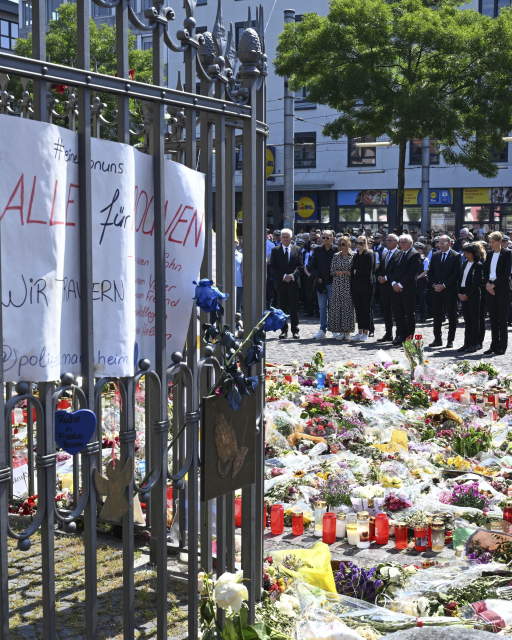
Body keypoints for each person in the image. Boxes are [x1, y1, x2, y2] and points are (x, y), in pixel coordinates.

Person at [427, 235, 461, 348]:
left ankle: (450, 339)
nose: (440, 245)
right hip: (436, 290)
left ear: (449, 243)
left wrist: (444, 285)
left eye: (442, 243)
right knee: (436, 315)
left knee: (451, 315)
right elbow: (430, 272)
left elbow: (456, 273)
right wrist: (434, 285)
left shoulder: (456, 256)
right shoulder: (435, 255)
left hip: (449, 290)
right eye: (439, 243)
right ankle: (437, 339)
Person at [269, 228, 303, 340]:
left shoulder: (297, 249)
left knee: (294, 308)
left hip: (293, 283)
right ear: (280, 238)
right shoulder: (275, 250)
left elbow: (300, 266)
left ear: (291, 238)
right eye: (283, 237)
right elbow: (273, 266)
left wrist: (292, 275)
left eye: (287, 237)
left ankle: (295, 331)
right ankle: (284, 331)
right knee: (282, 308)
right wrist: (284, 276)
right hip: (281, 283)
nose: (285, 239)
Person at [483, 231, 512, 355]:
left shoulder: (507, 253)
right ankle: (493, 345)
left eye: (493, 242)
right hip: (490, 287)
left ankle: (502, 346)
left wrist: (494, 284)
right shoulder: (489, 254)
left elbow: (506, 272)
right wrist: (488, 284)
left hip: (502, 288)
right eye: (490, 242)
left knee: (502, 318)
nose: (491, 245)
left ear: (500, 241)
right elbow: (485, 270)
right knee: (493, 318)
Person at [390, 234, 421, 345]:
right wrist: (394, 283)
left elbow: (411, 272)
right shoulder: (397, 253)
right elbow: (391, 270)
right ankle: (400, 334)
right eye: (401, 242)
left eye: (404, 243)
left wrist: (401, 285)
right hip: (396, 288)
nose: (402, 245)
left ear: (410, 243)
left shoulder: (414, 255)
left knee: (409, 314)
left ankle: (408, 337)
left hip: (407, 289)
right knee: (398, 313)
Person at [457, 242, 484, 354]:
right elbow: (460, 279)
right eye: (465, 253)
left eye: (468, 253)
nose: (466, 255)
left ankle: (473, 344)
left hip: (472, 296)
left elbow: (477, 283)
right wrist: (459, 293)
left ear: (473, 253)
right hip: (463, 294)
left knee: (474, 320)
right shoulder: (464, 264)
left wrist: (467, 294)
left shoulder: (478, 265)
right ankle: (466, 343)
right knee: (467, 320)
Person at [327, 236, 355, 340]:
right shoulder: (336, 256)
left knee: (348, 308)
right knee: (337, 308)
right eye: (340, 244)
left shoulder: (353, 255)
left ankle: (348, 331)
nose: (341, 246)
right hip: (337, 285)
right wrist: (344, 272)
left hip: (349, 285)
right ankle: (340, 331)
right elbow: (332, 271)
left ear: (348, 244)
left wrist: (348, 273)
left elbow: (355, 271)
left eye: (343, 244)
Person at [310, 229, 336, 338]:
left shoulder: (336, 250)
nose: (324, 239)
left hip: (333, 282)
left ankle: (335, 329)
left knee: (333, 306)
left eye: (327, 237)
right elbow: (313, 266)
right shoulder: (317, 250)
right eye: (323, 237)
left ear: (332, 238)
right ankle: (322, 330)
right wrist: (318, 277)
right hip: (321, 282)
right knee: (322, 307)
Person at [349, 236, 375, 342]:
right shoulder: (355, 256)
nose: (358, 245)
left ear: (366, 243)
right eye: (357, 243)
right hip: (356, 286)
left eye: (361, 243)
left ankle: (366, 332)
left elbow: (368, 271)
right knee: (358, 310)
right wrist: (355, 272)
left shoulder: (369, 255)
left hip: (367, 286)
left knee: (366, 309)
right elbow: (352, 269)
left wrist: (357, 272)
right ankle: (359, 331)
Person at [377, 234, 399, 342]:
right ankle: (388, 333)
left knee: (397, 311)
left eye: (390, 240)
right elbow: (380, 268)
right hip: (384, 287)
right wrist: (380, 277)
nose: (388, 242)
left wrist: (386, 277)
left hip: (393, 286)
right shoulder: (384, 254)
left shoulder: (399, 254)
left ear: (396, 242)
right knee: (386, 312)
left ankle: (398, 334)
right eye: (387, 240)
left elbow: (396, 271)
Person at [414, 242, 429, 322]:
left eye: (419, 249)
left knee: (422, 299)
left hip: (421, 281)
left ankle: (423, 315)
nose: (418, 250)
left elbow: (425, 271)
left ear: (422, 250)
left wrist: (417, 277)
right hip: (413, 281)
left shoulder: (425, 259)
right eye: (416, 249)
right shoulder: (413, 258)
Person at [235, 240, 243, 313]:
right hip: (227, 285)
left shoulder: (241, 255)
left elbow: (243, 270)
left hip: (238, 285)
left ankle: (237, 324)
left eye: (234, 242)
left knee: (237, 309)